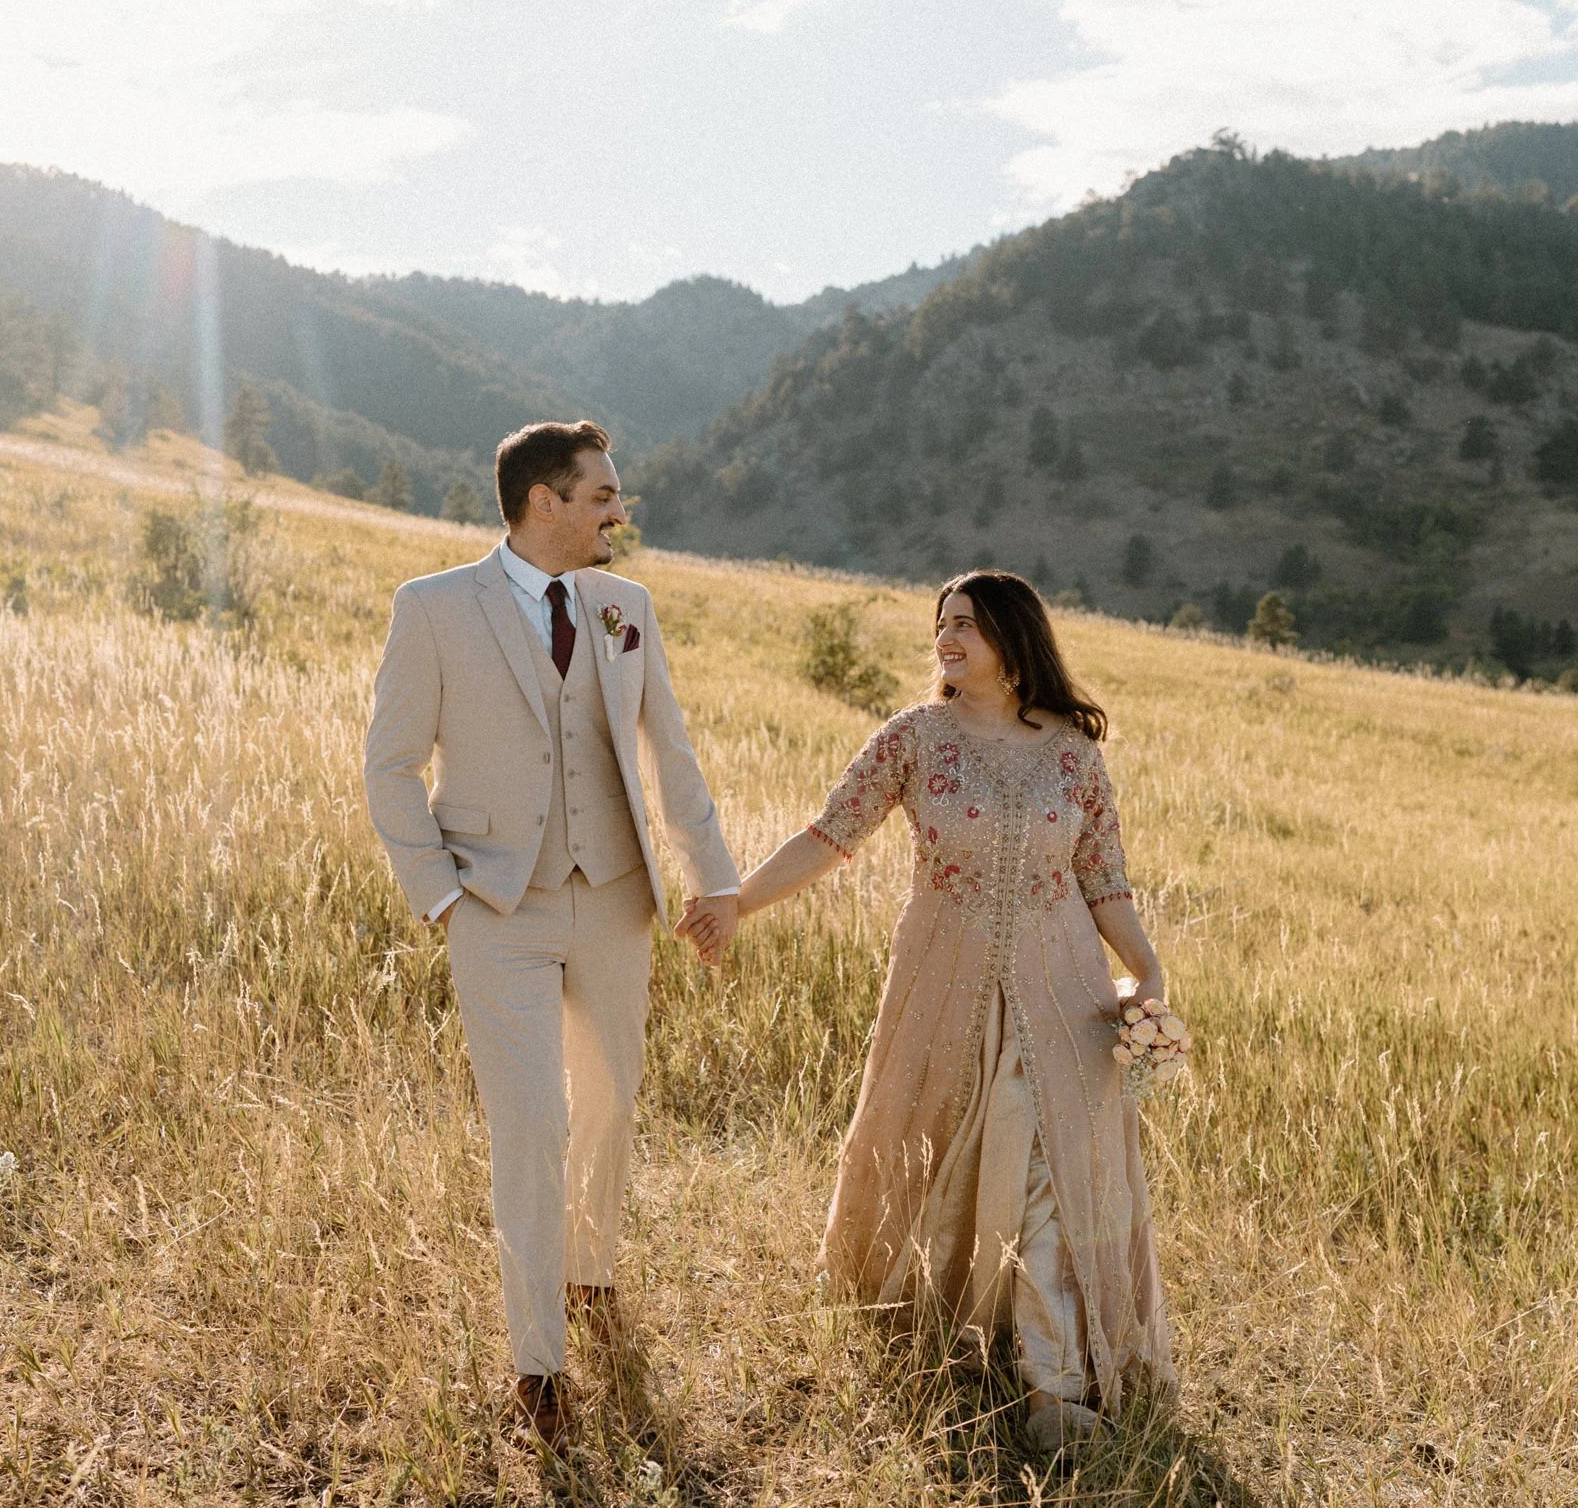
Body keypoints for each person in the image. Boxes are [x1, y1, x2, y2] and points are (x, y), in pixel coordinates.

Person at [691, 570, 1175, 1453]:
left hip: (1063, 989)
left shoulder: (1074, 753)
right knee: (937, 1147)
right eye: (941, 625)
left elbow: (1103, 879)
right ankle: (948, 1334)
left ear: (1013, 641)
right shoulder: (913, 740)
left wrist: (1146, 974)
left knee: (1044, 1170)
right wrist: (736, 902)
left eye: (967, 626)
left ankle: (1054, 1388)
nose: (947, 640)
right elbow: (827, 836)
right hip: (942, 981)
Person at [363, 420, 740, 1450]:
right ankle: (537, 1361)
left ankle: (590, 1275)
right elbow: (388, 763)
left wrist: (719, 887)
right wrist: (437, 893)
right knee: (529, 1122)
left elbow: (673, 756)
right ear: (545, 501)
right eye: (604, 493)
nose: (620, 510)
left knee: (610, 1104)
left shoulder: (628, 608)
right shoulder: (433, 608)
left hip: (617, 899)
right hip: (496, 907)